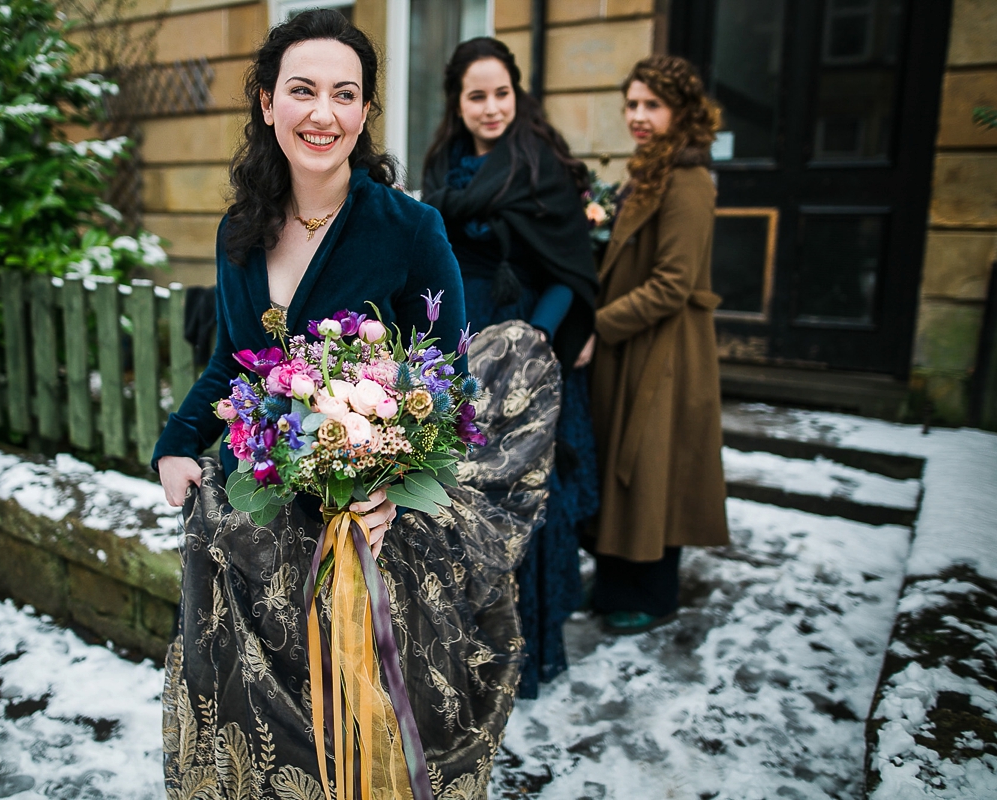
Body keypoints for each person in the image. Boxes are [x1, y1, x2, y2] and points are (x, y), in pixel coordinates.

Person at [153, 11, 559, 798]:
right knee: (268, 726)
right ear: (267, 103)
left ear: (366, 113)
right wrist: (175, 443)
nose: (324, 113)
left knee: (359, 726)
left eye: (346, 95)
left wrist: (389, 484)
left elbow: (444, 383)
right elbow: (229, 368)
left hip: (377, 519)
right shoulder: (240, 228)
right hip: (267, 514)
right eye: (302, 90)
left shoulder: (409, 228)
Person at [421, 37, 600, 698]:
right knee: (465, 487)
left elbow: (568, 267)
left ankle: (526, 648)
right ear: (458, 102)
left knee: (523, 488)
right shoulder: (443, 164)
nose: (491, 107)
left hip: (524, 337)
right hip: (456, 337)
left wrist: (535, 340)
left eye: (502, 93)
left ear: (516, 93)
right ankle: (468, 641)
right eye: (477, 96)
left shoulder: (540, 163)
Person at [587, 55, 730, 635]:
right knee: (624, 467)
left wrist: (600, 324)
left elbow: (673, 283)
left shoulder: (689, 179)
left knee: (651, 469)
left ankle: (652, 594)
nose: (638, 116)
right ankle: (618, 581)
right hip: (634, 342)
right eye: (632, 104)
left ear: (682, 111)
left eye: (652, 105)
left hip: (666, 349)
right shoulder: (649, 170)